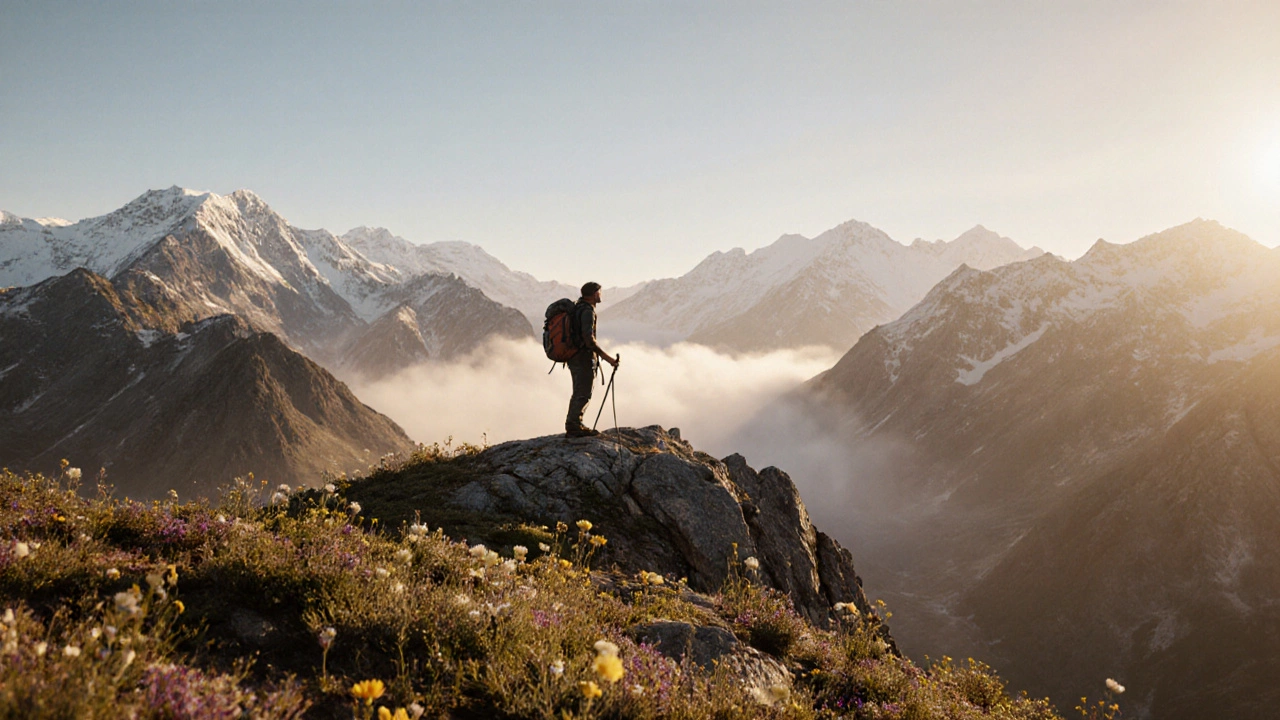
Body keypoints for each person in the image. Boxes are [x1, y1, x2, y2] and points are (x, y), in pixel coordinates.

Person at [566, 281, 619, 437]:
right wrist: (608, 358)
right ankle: (574, 426)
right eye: (600, 292)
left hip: (573, 356)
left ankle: (574, 423)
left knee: (579, 390)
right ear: (595, 294)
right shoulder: (587, 311)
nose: (601, 295)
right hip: (583, 357)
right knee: (583, 392)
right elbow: (589, 339)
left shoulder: (577, 308)